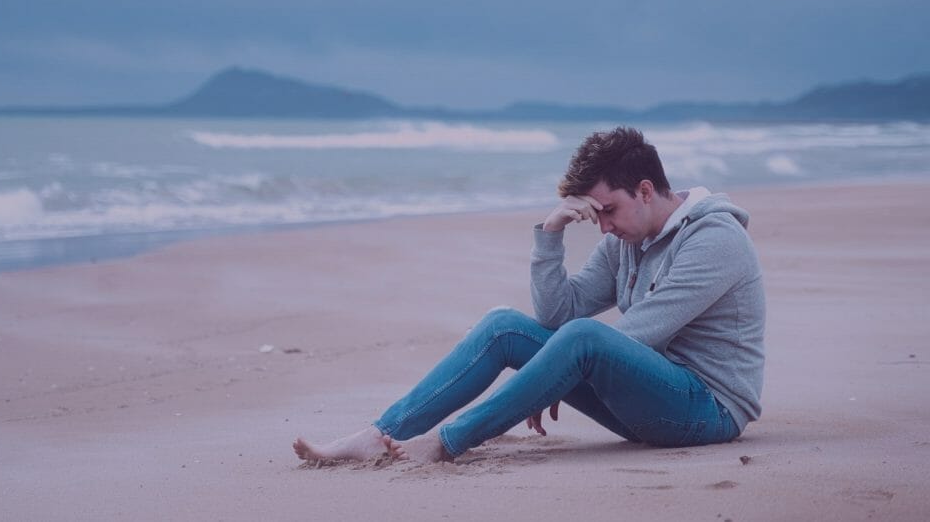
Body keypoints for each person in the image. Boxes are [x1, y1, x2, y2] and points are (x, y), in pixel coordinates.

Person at [293, 126, 765, 464]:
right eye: (594, 214)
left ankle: (448, 442)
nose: (602, 225)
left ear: (645, 190)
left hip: (706, 411)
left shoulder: (714, 239)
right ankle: (381, 434)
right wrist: (552, 231)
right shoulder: (625, 240)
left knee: (583, 339)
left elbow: (637, 337)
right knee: (505, 326)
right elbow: (558, 312)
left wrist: (551, 374)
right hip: (647, 402)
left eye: (609, 210)